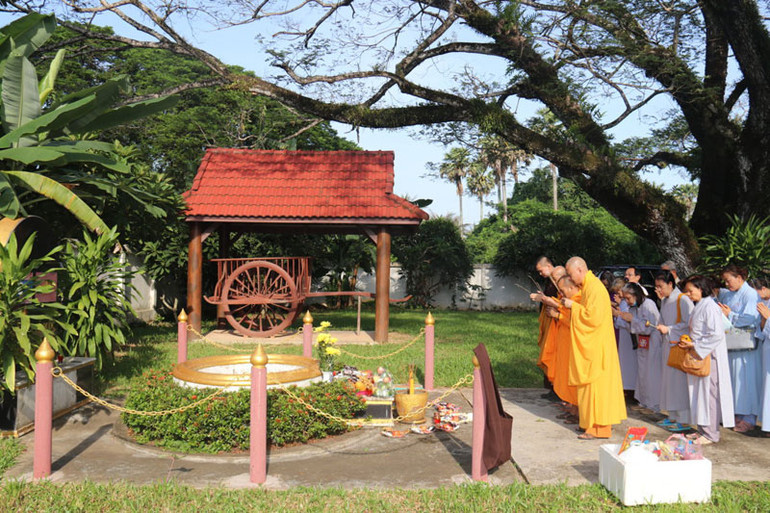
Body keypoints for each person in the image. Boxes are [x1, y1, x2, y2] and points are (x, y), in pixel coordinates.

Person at [563, 257, 626, 439]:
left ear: (580, 270)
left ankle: (599, 428)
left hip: (597, 348)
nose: (570, 278)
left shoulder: (595, 288)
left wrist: (573, 306)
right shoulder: (588, 287)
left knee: (597, 388)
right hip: (592, 345)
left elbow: (592, 319)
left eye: (571, 273)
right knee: (589, 388)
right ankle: (590, 425)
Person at [678, 275, 734, 444]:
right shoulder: (700, 305)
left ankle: (711, 433)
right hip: (699, 354)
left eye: (690, 291)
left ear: (701, 289)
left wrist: (694, 345)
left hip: (709, 357)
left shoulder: (710, 306)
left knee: (709, 395)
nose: (688, 294)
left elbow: (716, 335)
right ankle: (702, 429)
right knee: (698, 394)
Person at [718, 265, 761, 433]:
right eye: (725, 281)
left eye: (729, 280)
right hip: (731, 343)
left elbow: (751, 318)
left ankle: (749, 417)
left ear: (740, 278)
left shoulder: (750, 294)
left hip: (747, 345)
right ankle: (736, 413)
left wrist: (731, 315)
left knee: (747, 381)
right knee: (734, 380)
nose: (727, 284)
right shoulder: (729, 294)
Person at [654, 271, 694, 431]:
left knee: (679, 384)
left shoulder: (683, 299)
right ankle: (672, 416)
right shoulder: (665, 301)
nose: (658, 290)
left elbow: (689, 324)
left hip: (679, 346)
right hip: (668, 345)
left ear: (670, 284)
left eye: (661, 286)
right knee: (669, 383)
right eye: (656, 287)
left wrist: (669, 329)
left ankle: (683, 419)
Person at [619, 282, 662, 415]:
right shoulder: (633, 308)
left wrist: (632, 320)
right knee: (642, 372)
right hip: (642, 342)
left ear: (636, 295)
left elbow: (649, 326)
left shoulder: (648, 305)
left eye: (628, 298)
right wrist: (626, 319)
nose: (627, 301)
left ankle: (654, 404)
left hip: (653, 342)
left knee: (652, 373)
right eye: (625, 299)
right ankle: (643, 401)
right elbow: (632, 327)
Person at [548, 275, 580, 423]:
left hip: (575, 344)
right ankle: (571, 409)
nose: (561, 294)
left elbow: (578, 322)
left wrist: (558, 315)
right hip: (565, 342)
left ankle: (577, 412)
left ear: (571, 287)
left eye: (562, 290)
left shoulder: (579, 300)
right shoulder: (571, 300)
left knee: (573, 378)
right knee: (566, 376)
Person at [530, 256, 560, 398]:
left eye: (541, 271)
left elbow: (562, 302)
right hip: (551, 322)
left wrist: (542, 299)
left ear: (549, 266)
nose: (541, 274)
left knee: (555, 358)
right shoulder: (551, 282)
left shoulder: (559, 280)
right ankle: (553, 388)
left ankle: (558, 390)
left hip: (558, 324)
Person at [610, 278, 637, 400]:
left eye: (618, 292)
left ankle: (630, 389)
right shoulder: (622, 302)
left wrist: (617, 315)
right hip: (623, 335)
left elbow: (627, 318)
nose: (617, 295)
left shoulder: (626, 303)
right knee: (624, 362)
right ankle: (625, 387)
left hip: (629, 335)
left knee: (629, 363)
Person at [751, 277, 770, 438]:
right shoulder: (766, 303)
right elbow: (762, 329)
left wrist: (768, 318)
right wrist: (765, 320)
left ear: (763, 288)